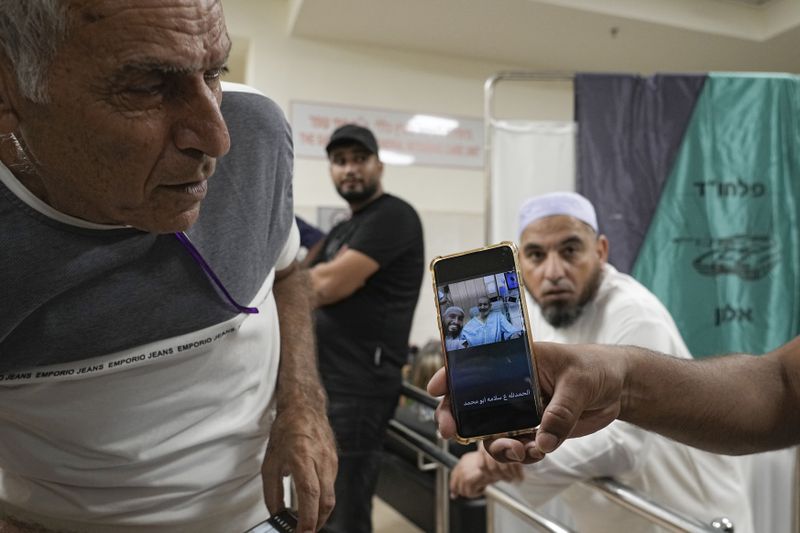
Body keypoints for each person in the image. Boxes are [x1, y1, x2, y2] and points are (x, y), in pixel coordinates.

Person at [0, 2, 336, 532]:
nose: (217, 139)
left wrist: (303, 407)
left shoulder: (256, 132)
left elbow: (287, 272)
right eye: (145, 87)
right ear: (10, 88)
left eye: (214, 73)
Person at [447, 192, 754, 532]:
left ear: (601, 251)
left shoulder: (635, 313)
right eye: (536, 255)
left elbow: (624, 444)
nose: (553, 272)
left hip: (684, 515)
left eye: (570, 250)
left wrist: (510, 464)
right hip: (614, 516)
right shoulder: (536, 311)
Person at [309, 124, 424, 533]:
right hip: (327, 382)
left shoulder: (394, 215)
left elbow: (322, 285)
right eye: (340, 161)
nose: (350, 169)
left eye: (359, 159)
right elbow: (305, 278)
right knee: (317, 498)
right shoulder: (344, 228)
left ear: (379, 165)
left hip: (359, 387)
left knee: (344, 509)